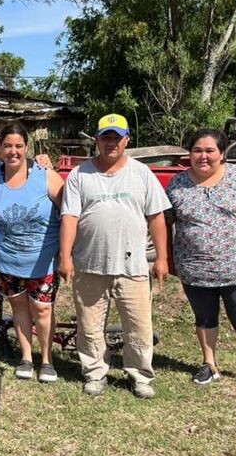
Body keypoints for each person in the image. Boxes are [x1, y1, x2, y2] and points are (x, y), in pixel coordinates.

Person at [59, 113, 170, 399]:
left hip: (132, 265)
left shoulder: (141, 174)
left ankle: (140, 375)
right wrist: (65, 256)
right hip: (89, 263)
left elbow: (156, 217)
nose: (111, 142)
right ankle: (95, 373)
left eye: (116, 137)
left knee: (139, 325)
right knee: (90, 324)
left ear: (127, 140)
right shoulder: (79, 175)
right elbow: (69, 217)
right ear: (96, 140)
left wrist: (161, 258)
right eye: (105, 137)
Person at [165, 128, 236, 392]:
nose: (203, 156)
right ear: (189, 154)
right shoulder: (177, 184)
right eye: (197, 150)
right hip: (194, 268)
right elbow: (165, 224)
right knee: (204, 318)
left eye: (209, 150)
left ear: (222, 153)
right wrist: (167, 258)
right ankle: (209, 364)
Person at [0, 122, 63, 382]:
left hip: (43, 259)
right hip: (8, 259)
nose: (13, 151)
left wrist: (66, 250)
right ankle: (26, 357)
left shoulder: (44, 174)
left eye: (18, 146)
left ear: (27, 148)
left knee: (42, 308)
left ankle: (47, 360)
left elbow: (68, 211)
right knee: (18, 307)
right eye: (7, 146)